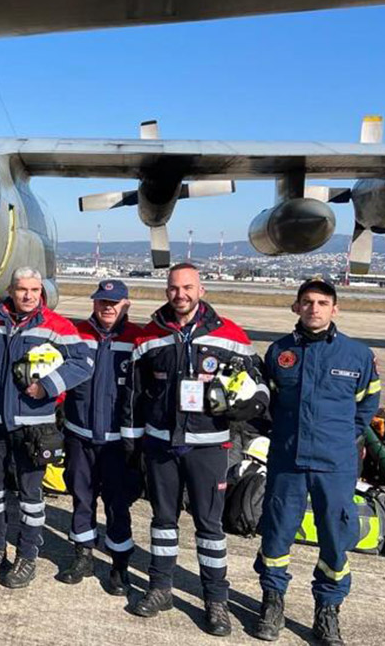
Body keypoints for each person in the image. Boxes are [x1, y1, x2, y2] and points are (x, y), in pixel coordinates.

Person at [125, 263, 268, 637]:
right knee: (162, 521)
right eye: (174, 288)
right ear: (166, 291)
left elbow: (259, 386)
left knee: (210, 526)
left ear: (201, 289)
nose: (180, 295)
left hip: (208, 447)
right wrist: (133, 440)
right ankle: (160, 588)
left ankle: (215, 600)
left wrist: (242, 411)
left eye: (188, 287)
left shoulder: (230, 334)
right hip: (161, 445)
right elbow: (134, 395)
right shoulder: (149, 336)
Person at [252, 279, 379, 646]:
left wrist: (340, 439)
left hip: (335, 464)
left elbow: (366, 406)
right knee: (276, 533)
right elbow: (265, 405)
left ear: (335, 309)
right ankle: (272, 602)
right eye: (307, 302)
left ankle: (327, 611)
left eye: (323, 302)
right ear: (296, 307)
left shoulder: (357, 355)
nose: (314, 308)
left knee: (336, 539)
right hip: (287, 460)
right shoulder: (279, 352)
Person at [0, 267, 93, 589]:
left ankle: (27, 555)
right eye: (22, 289)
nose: (28, 295)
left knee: (30, 495)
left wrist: (49, 387)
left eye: (34, 290)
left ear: (42, 293)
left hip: (33, 427)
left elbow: (83, 363)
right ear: (11, 290)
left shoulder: (56, 326)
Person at [57, 279, 143, 594]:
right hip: (80, 435)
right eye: (102, 302)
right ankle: (82, 556)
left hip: (119, 441)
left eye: (114, 302)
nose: (108, 307)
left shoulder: (137, 339)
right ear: (94, 303)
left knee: (118, 504)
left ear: (126, 304)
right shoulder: (75, 334)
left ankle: (120, 565)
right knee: (82, 497)